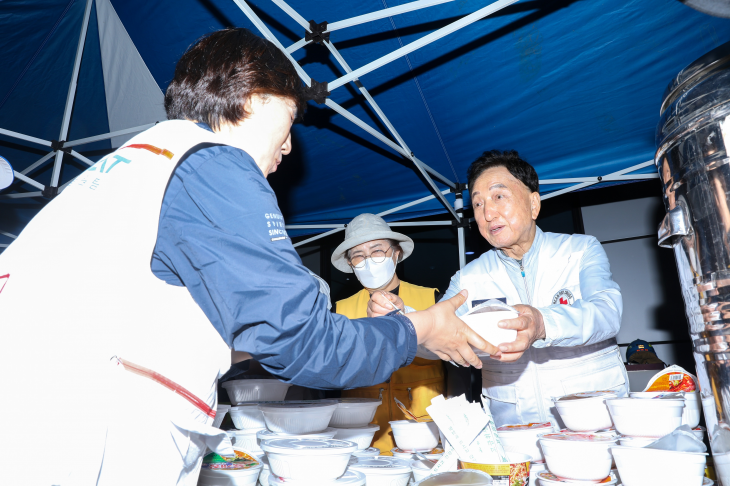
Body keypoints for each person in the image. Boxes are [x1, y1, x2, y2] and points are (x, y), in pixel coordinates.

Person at [0, 29, 496, 485]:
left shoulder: (130, 167)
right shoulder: (212, 161)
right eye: (289, 119)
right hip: (88, 427)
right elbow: (306, 343)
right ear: (256, 97)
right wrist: (422, 329)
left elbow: (159, 315)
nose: (288, 147)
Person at [370, 150, 628, 427]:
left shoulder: (579, 250)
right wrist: (404, 320)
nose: (487, 213)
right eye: (478, 204)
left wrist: (541, 323)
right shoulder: (468, 279)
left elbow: (607, 312)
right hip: (515, 426)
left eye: (498, 196)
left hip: (591, 415)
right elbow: (441, 339)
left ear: (533, 204)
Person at [331, 213, 446, 455]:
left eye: (377, 251)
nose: (368, 260)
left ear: (396, 253)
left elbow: (457, 366)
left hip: (424, 432)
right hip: (364, 436)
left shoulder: (431, 300)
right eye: (358, 256)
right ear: (351, 265)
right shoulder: (338, 310)